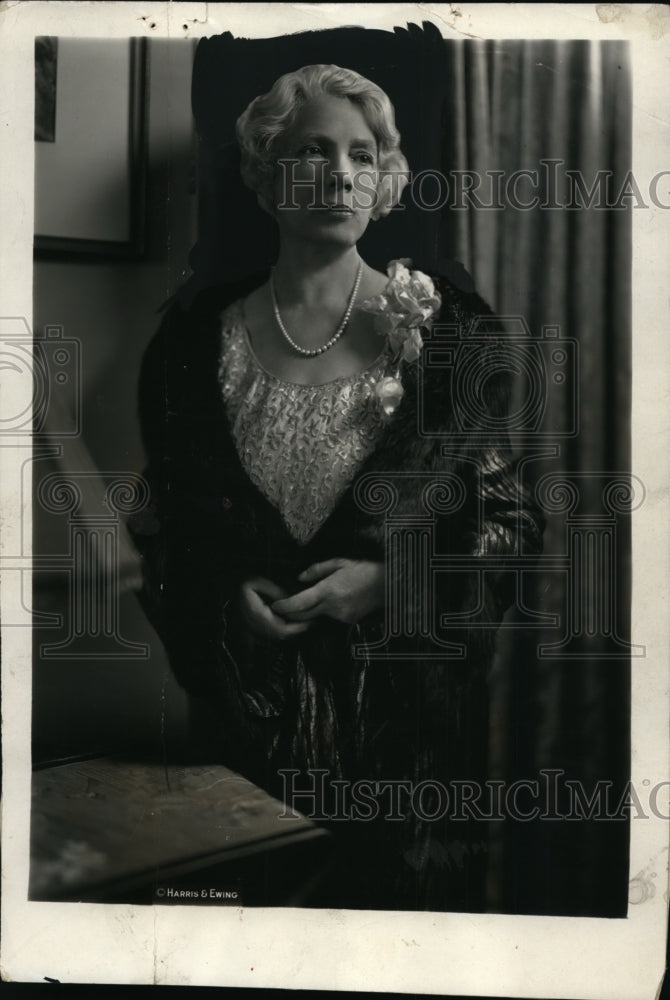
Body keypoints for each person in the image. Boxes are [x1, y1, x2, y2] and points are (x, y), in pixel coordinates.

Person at [131, 64, 544, 911]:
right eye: (311, 151)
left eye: (362, 153)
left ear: (385, 177)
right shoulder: (189, 349)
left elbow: (513, 525)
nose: (340, 174)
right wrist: (221, 591)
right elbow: (162, 525)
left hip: (407, 746)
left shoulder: (451, 334)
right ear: (265, 173)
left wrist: (394, 584)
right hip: (248, 730)